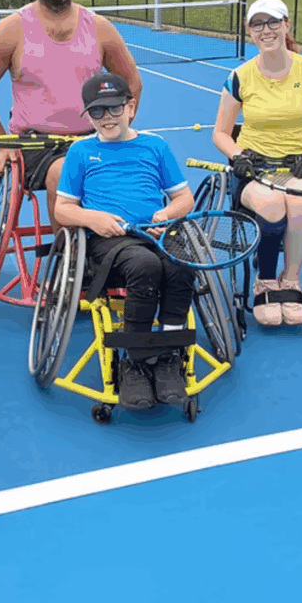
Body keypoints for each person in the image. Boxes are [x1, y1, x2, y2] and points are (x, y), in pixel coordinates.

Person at [0, 0, 142, 230]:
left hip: (92, 137)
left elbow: (132, 81)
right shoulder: (13, 29)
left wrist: (119, 127)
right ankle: (66, 255)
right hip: (36, 145)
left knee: (143, 168)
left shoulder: (99, 27)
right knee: (63, 173)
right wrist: (2, 142)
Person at [55, 72, 195, 411]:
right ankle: (135, 361)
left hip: (155, 233)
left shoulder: (156, 146)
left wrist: (165, 215)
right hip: (110, 242)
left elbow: (184, 199)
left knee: (181, 266)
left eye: (114, 108)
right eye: (97, 112)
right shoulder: (80, 151)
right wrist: (94, 219)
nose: (106, 118)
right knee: (145, 266)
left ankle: (168, 355)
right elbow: (62, 209)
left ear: (131, 107)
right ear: (88, 115)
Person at [210, 0, 302, 327]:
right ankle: (265, 281)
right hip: (254, 170)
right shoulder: (239, 76)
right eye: (258, 24)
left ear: (286, 25)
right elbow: (220, 133)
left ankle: (291, 280)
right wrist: (237, 156)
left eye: (273, 22)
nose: (266, 30)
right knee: (273, 204)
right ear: (250, 31)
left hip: (297, 166)